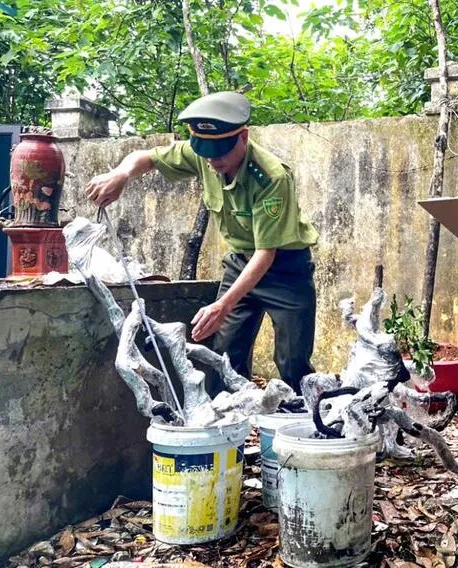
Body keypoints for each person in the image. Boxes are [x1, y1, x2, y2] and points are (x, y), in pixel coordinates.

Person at [86, 91, 318, 394]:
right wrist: (121, 174)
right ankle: (227, 431)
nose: (212, 161)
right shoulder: (204, 156)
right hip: (241, 263)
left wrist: (221, 305)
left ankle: (298, 432)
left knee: (293, 362)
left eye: (220, 152)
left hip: (286, 269)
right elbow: (147, 157)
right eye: (205, 152)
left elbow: (266, 254)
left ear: (243, 137)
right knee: (223, 356)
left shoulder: (271, 177)